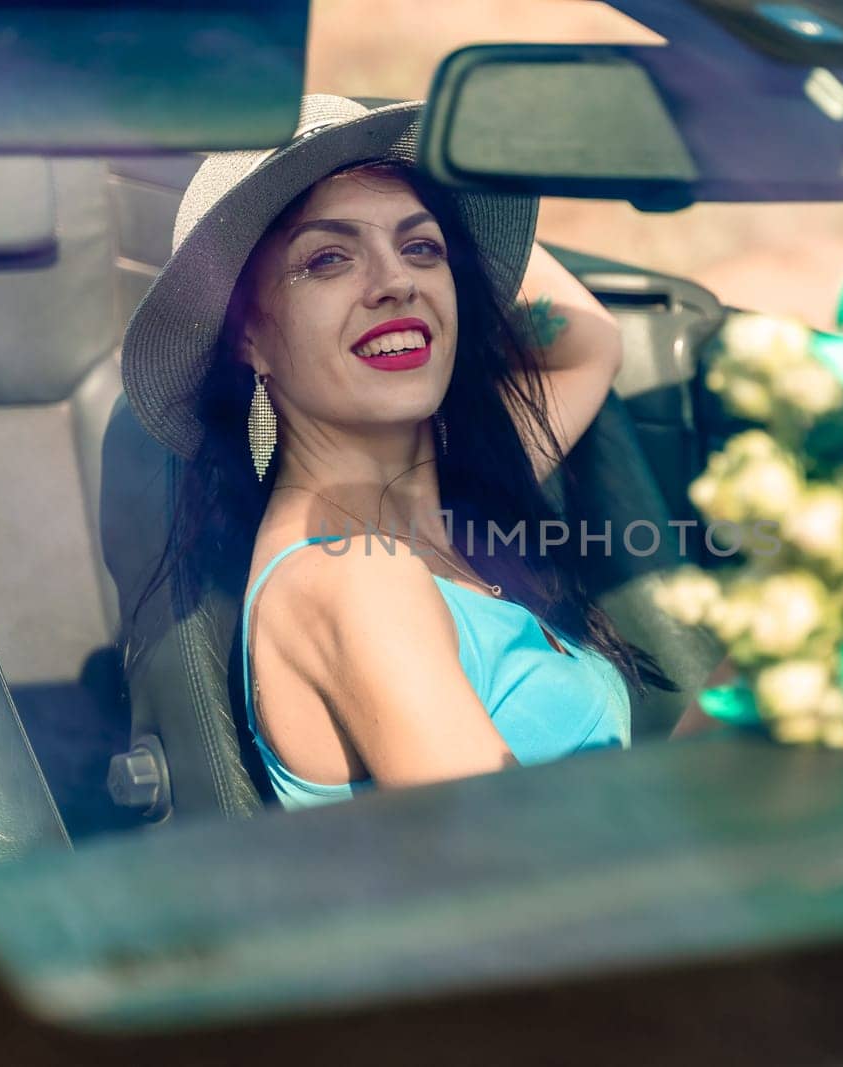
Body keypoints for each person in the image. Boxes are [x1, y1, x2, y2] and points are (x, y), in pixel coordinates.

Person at [122, 95, 673, 810]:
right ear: (245, 337)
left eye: (422, 248)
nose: (397, 282)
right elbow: (528, 880)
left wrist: (396, 149)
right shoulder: (354, 579)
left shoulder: (451, 511)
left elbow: (586, 344)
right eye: (327, 259)